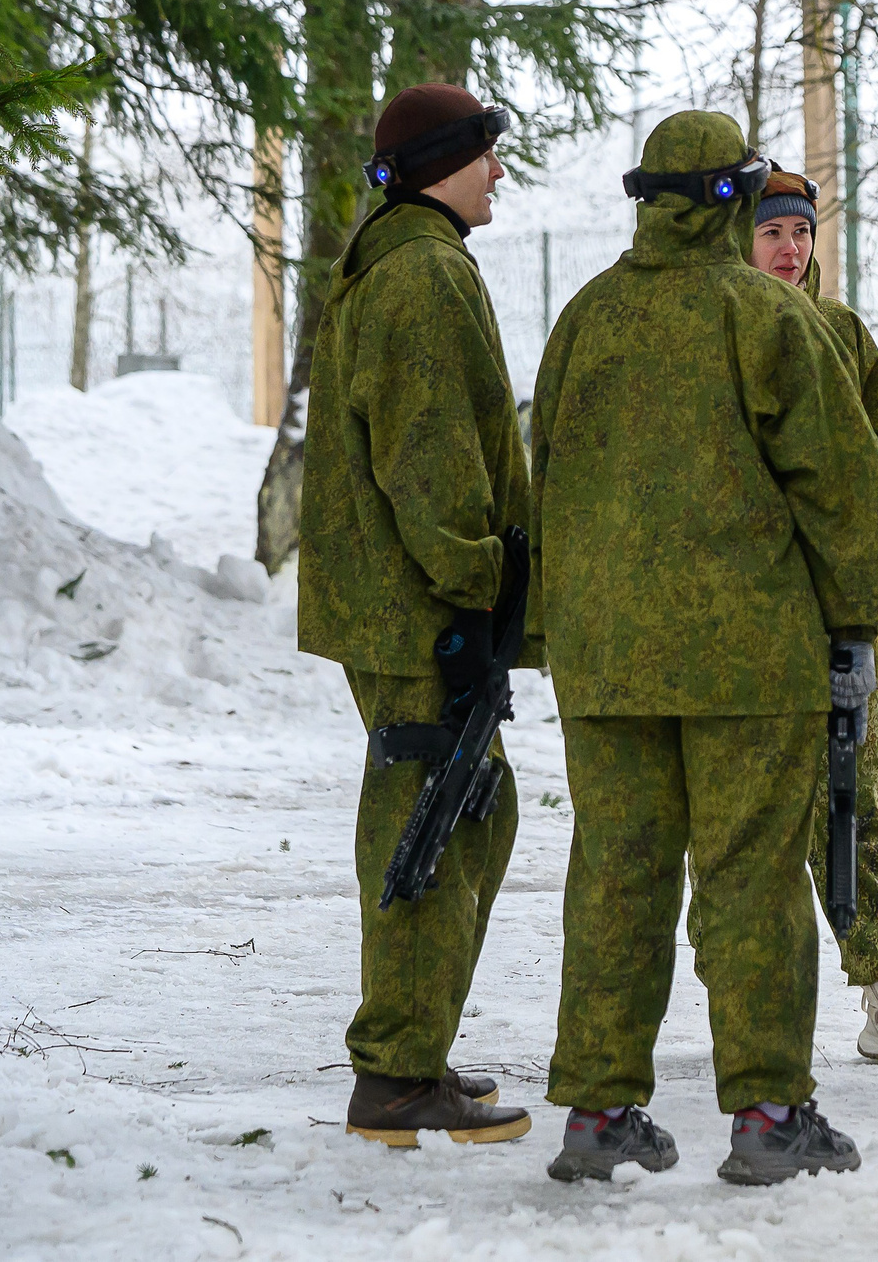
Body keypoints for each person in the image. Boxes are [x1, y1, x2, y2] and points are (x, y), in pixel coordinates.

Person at [534, 111, 878, 1185]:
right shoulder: (764, 315)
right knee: (752, 878)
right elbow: (844, 489)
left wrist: (555, 633)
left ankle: (599, 1114)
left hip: (604, 662)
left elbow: (542, 474)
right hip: (749, 655)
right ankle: (767, 1112)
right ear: (735, 197)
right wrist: (855, 616)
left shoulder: (586, 317)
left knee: (615, 875)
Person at [299, 83, 536, 1150]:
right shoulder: (426, 275)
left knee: (450, 816)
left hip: (400, 602)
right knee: (439, 826)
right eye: (487, 154)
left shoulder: (393, 261)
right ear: (447, 159)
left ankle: (411, 1058)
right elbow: (431, 460)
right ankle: (395, 1075)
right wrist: (469, 599)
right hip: (422, 609)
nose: (498, 173)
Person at [746, 167, 878, 1067]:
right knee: (738, 815)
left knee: (859, 800)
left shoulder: (841, 335)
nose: (791, 249)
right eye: (770, 234)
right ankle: (749, 998)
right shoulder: (703, 337)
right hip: (728, 620)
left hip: (835, 614)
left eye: (801, 233)